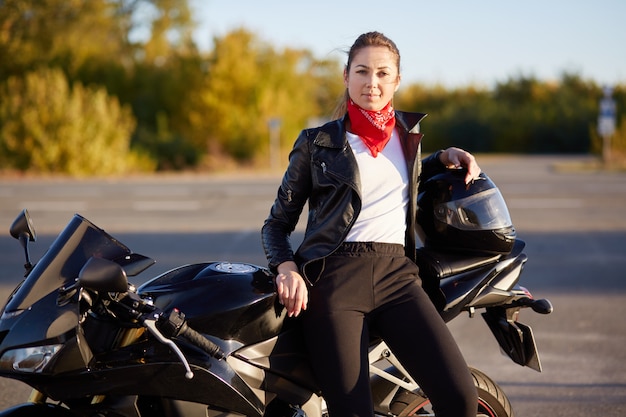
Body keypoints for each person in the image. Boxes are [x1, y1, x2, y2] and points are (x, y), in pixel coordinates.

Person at [262, 31, 480, 417]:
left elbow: (402, 177)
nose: (372, 82)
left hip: (399, 277)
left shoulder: (408, 137)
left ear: (397, 80)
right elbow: (277, 223)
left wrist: (445, 156)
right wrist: (287, 268)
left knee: (460, 397)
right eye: (362, 71)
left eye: (383, 73)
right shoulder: (316, 143)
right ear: (346, 76)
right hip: (334, 282)